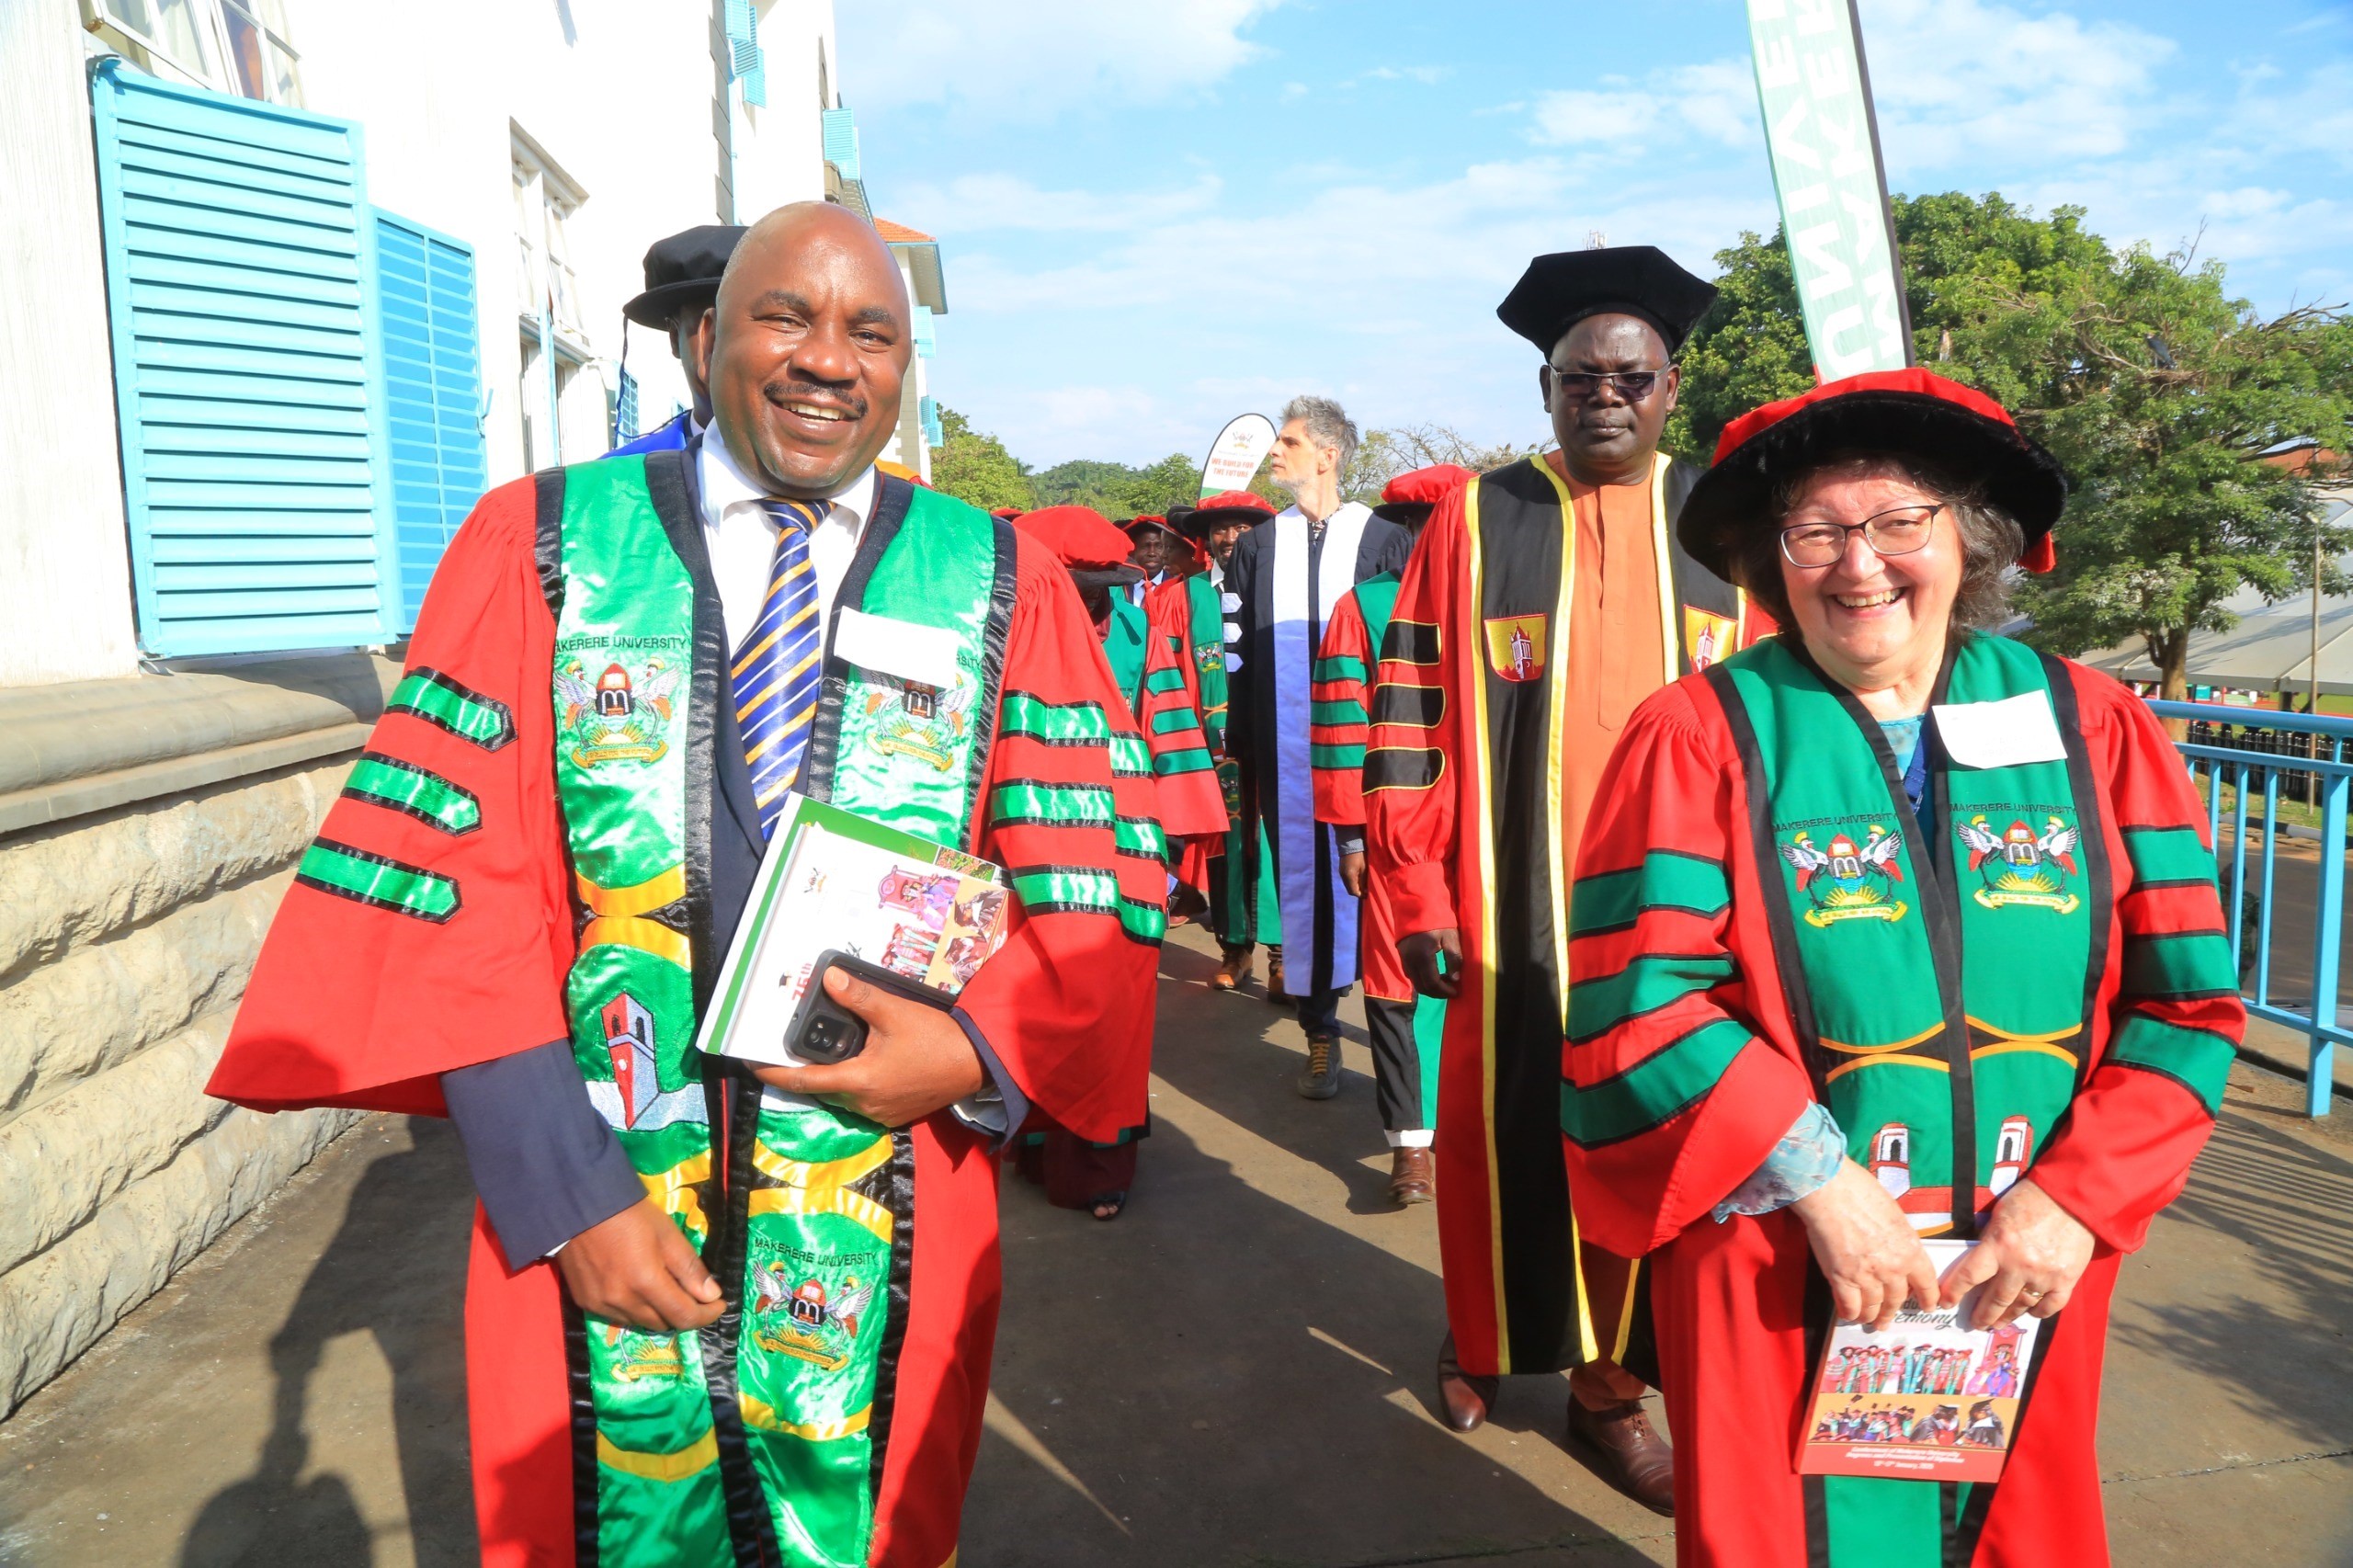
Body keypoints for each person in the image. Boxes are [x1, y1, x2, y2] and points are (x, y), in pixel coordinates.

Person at [206, 202, 1166, 1568]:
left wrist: (969, 1046)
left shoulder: (1001, 577)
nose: (828, 360)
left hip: (885, 1187)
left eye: (871, 331)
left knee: (882, 1525)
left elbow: (1093, 882)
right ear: (713, 338)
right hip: (606, 1176)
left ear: (905, 369)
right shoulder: (545, 546)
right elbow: (450, 895)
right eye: (788, 316)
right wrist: (566, 1193)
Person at [1562, 367, 2242, 1565]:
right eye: (1817, 530)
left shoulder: (2093, 725)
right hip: (1778, 1253)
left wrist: (2075, 1199)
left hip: (2016, 1256)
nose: (1856, 565)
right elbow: (1639, 1003)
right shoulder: (1700, 734)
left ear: (1966, 540)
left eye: (1895, 524)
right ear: (1777, 558)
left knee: (2008, 1534)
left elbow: (2184, 1005)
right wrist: (1824, 1186)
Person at [1364, 245, 1754, 1507]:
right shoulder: (1478, 523)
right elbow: (1411, 712)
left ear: (1668, 387)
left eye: (1628, 376)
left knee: (1653, 1146)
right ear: (1546, 390)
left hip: (1675, 917)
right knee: (1502, 1138)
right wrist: (1416, 885)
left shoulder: (1722, 530)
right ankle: (1483, 1337)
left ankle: (1608, 1392)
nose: (1604, 396)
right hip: (1505, 904)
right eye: (1578, 375)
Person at [1003, 505, 1222, 1221]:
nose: (1093, 600)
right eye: (1081, 584)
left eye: (1105, 585)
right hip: (1023, 842)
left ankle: (1095, 1166)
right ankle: (1030, 1140)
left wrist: (1181, 852)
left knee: (1112, 1007)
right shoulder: (1001, 627)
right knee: (1026, 996)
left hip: (1119, 846)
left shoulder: (1136, 631)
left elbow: (1170, 726)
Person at [1228, 397, 1414, 1093]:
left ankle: (1397, 1033)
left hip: (1370, 748)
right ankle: (1320, 1030)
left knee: (1380, 884)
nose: (1276, 452)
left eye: (1291, 441)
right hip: (1286, 750)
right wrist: (1245, 741)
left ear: (1329, 455)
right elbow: (1238, 653)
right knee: (1301, 881)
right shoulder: (1257, 544)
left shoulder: (1383, 538)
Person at [1312, 463, 1472, 1204]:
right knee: (1396, 981)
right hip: (1397, 824)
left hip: (1491, 834)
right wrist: (1349, 835)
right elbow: (1345, 730)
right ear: (1406, 532)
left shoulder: (1507, 602)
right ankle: (1412, 1147)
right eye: (1425, 524)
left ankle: (1475, 1129)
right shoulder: (1367, 607)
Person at [1173, 490, 1279, 990]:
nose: (1231, 537)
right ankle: (1235, 949)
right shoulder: (1188, 593)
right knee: (1228, 840)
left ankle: (1285, 954)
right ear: (1206, 539)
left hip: (1278, 732)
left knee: (1283, 839)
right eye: (1221, 528)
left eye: (1242, 528)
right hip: (1213, 740)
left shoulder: (1282, 585)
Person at [607, 223, 745, 455]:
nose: (724, 346)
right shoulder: (615, 480)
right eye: (715, 327)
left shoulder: (825, 479)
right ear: (674, 337)